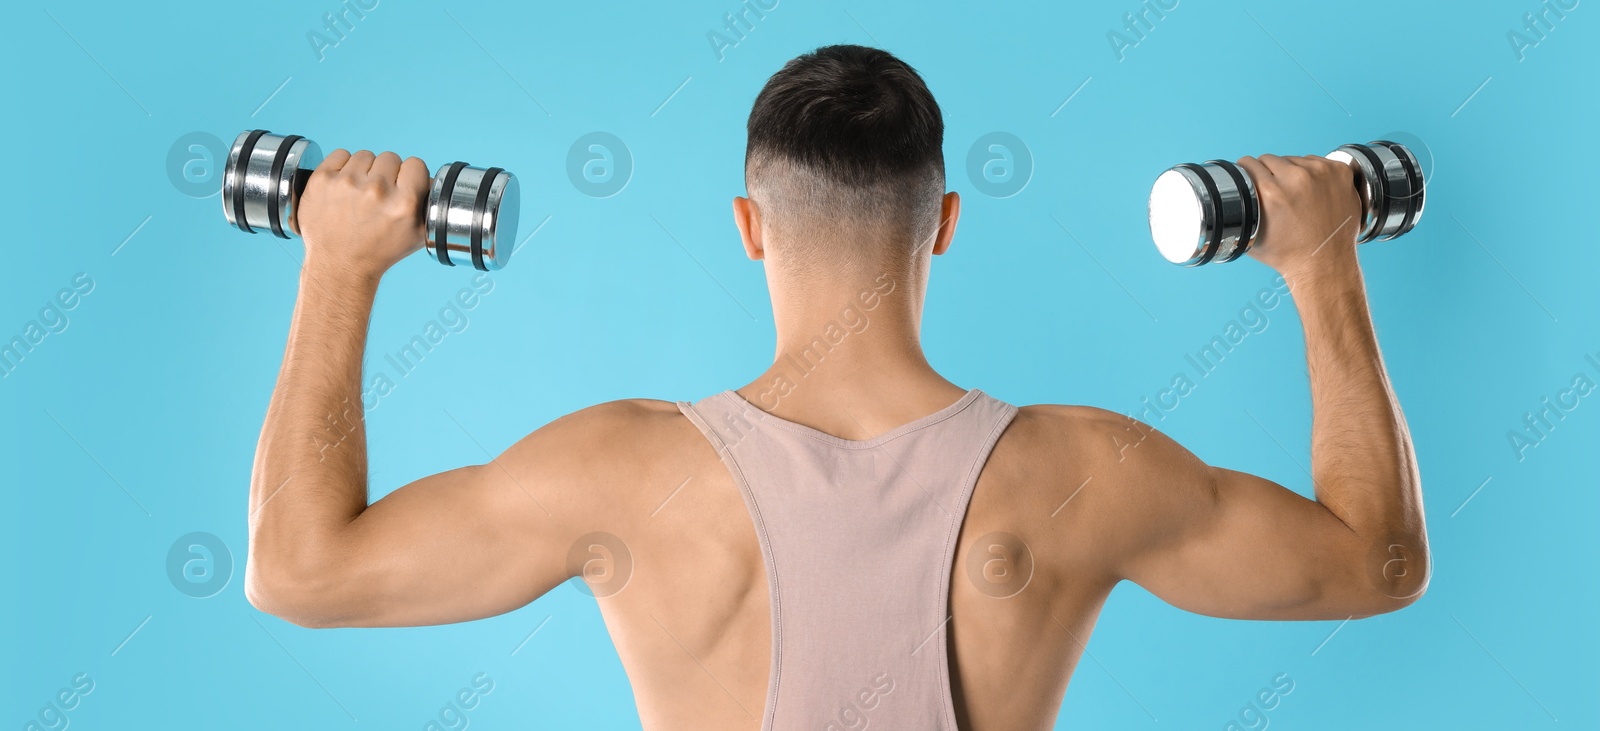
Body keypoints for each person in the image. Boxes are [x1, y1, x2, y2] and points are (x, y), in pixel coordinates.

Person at [246, 44, 1428, 730]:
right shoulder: (1081, 471)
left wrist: (341, 266)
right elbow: (1378, 563)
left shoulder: (617, 471)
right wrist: (1322, 264)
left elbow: (299, 572)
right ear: (945, 224)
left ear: (749, 228)